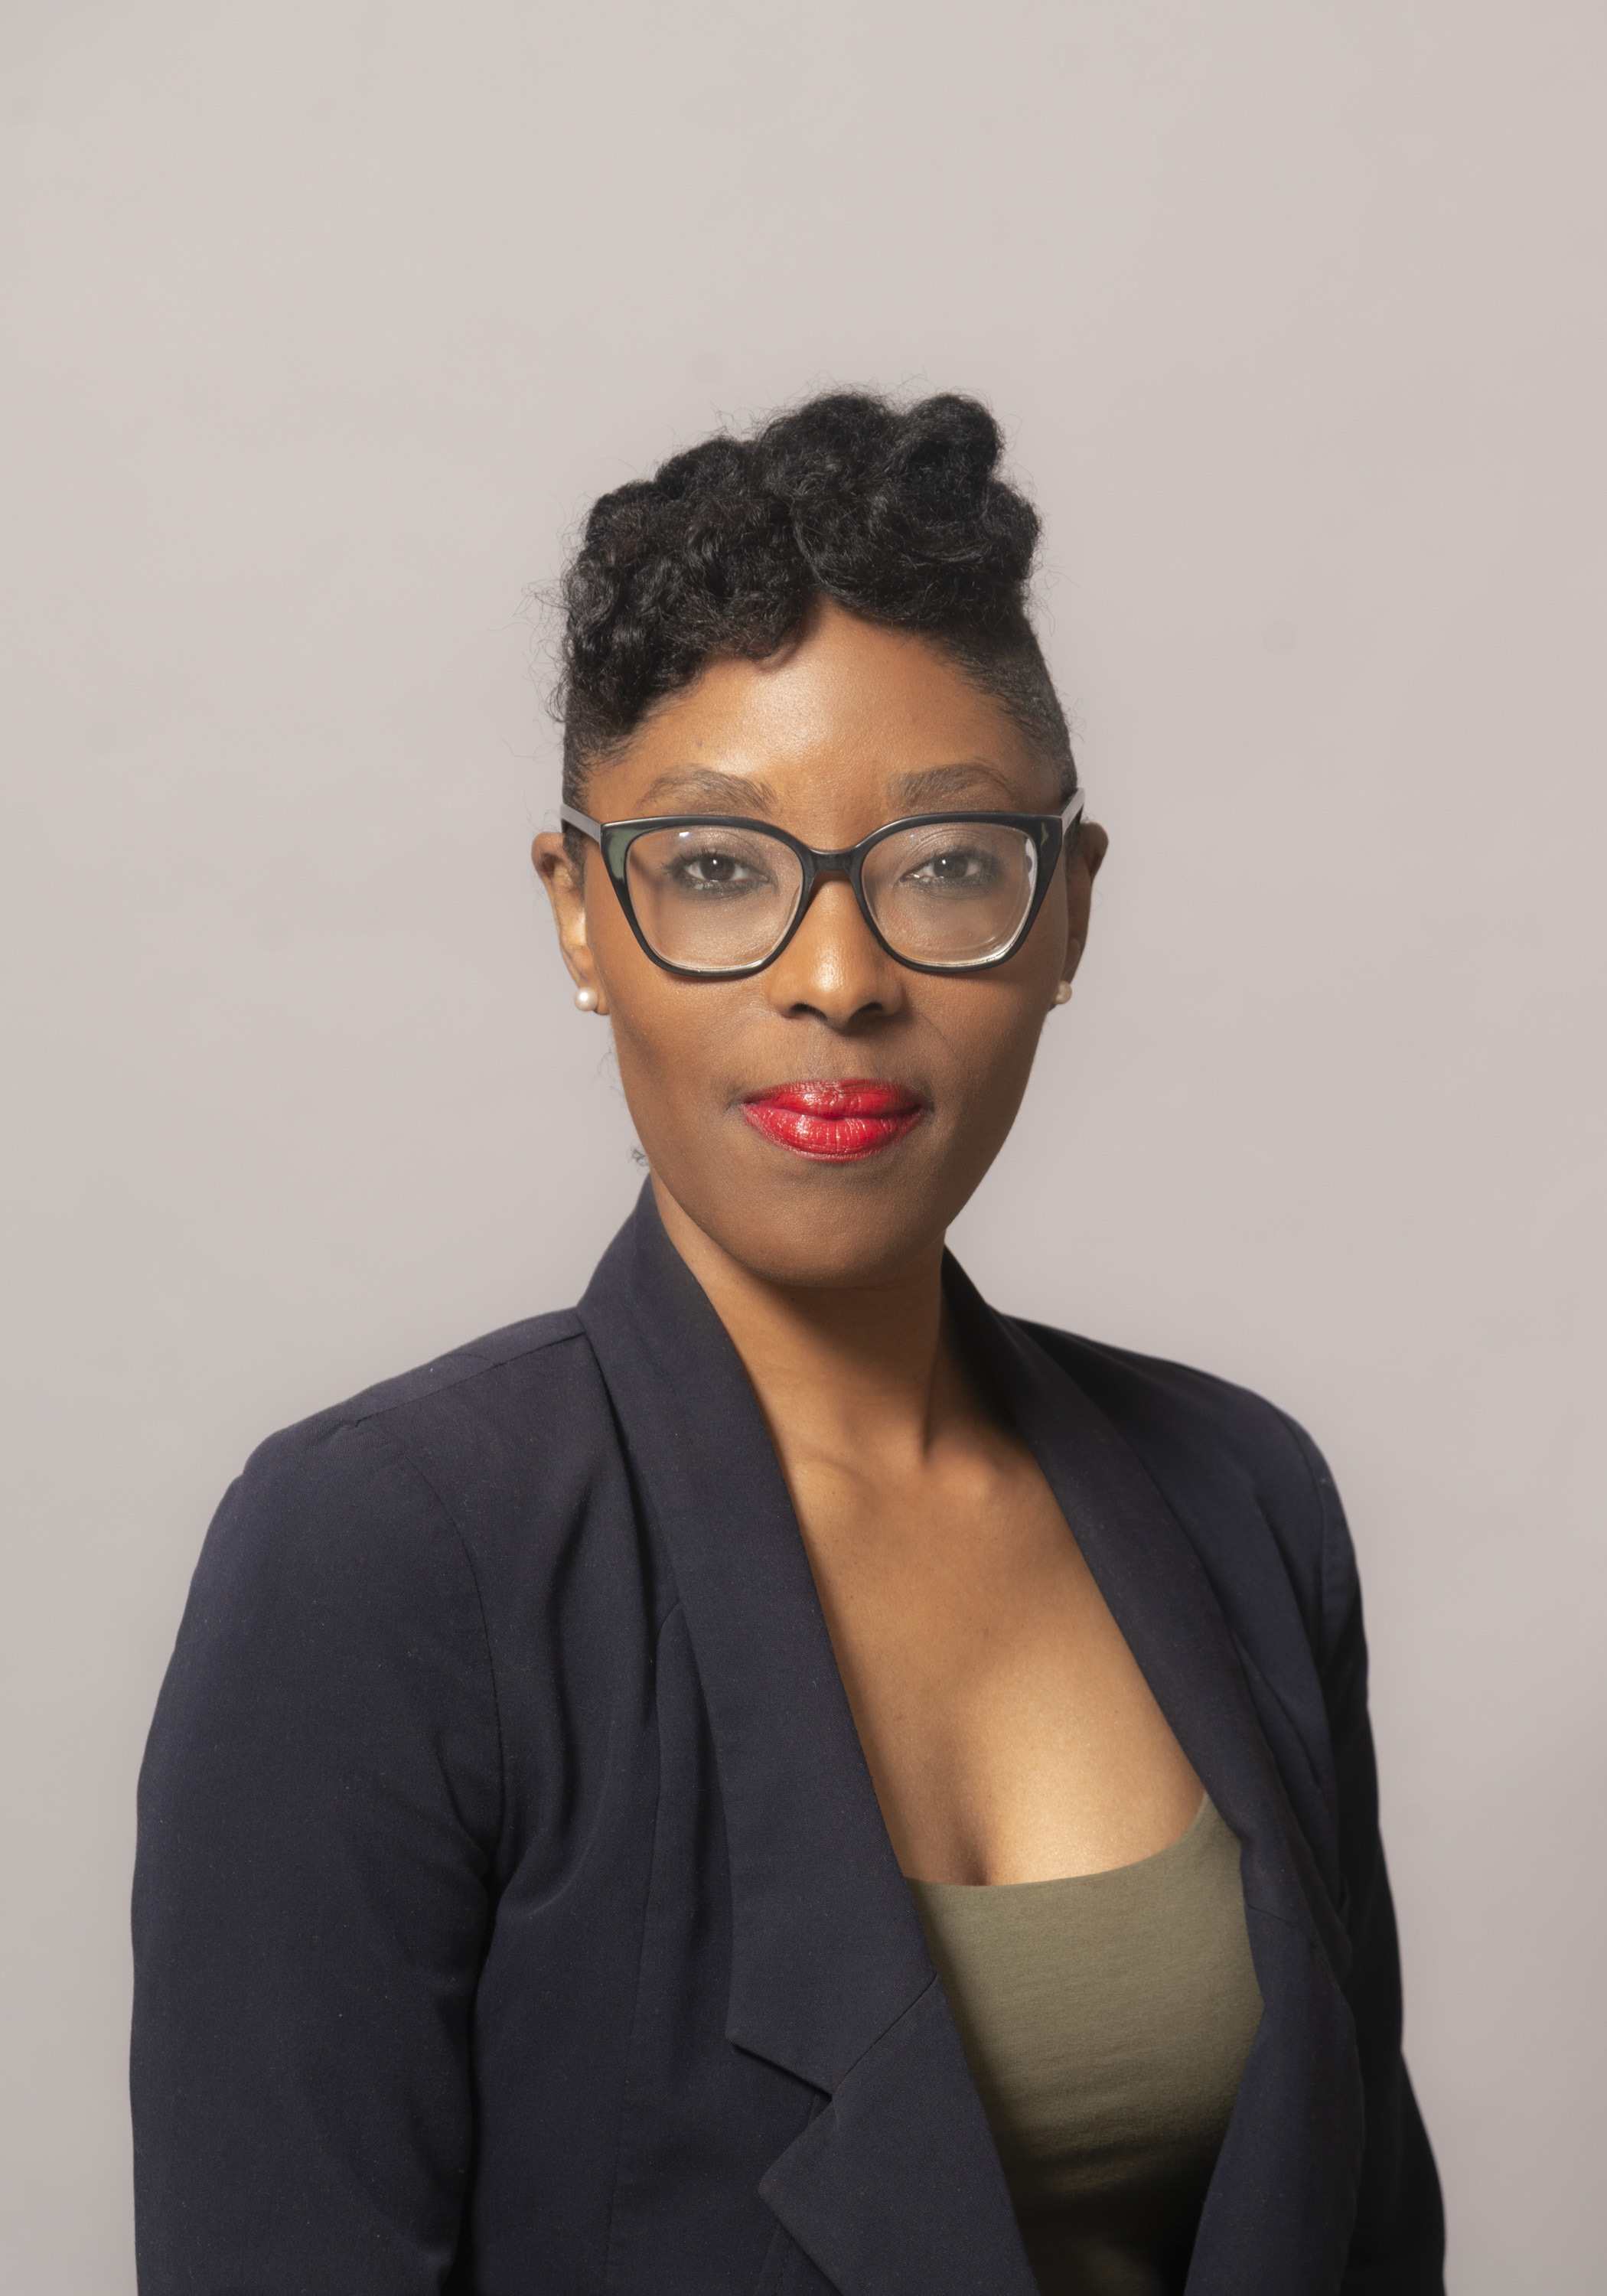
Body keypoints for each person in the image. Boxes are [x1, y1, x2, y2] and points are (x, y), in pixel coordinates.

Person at [130, 391, 1444, 2295]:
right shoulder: (386, 1555)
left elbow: (1364, 2240)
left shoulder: (1246, 1502)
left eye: (946, 864)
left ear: (1066, 911)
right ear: (582, 915)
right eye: (720, 868)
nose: (840, 978)